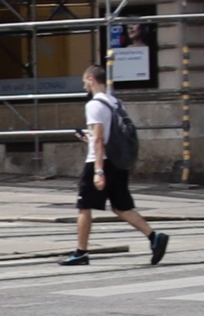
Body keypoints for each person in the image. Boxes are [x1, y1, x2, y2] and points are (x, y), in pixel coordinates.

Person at [61, 64, 168, 267]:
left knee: (84, 206)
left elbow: (100, 140)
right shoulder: (115, 102)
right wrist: (88, 138)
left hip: (100, 161)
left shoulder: (94, 105)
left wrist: (98, 171)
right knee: (121, 207)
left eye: (85, 81)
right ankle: (155, 237)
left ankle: (81, 252)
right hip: (118, 161)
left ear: (92, 80)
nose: (84, 85)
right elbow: (106, 137)